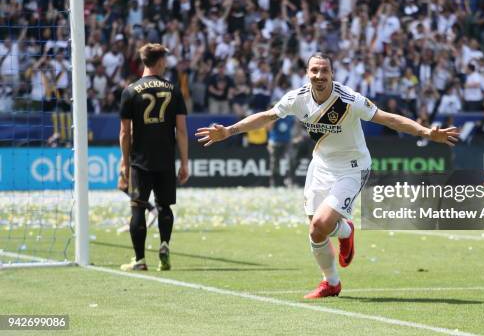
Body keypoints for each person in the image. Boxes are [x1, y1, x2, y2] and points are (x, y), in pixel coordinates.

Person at [195, 53, 458, 298]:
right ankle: (332, 278)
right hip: (320, 166)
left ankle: (340, 242)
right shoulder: (296, 98)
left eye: (324, 71)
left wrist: (425, 132)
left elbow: (388, 118)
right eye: (314, 71)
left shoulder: (349, 100)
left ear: (332, 74)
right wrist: (229, 131)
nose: (319, 76)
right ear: (306, 73)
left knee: (319, 224)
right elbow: (266, 116)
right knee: (317, 232)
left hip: (353, 167)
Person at [118, 43, 189, 271]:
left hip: (140, 160)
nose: (166, 64)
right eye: (165, 60)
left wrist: (124, 162)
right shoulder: (173, 89)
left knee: (138, 207)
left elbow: (125, 132)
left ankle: (139, 260)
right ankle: (164, 247)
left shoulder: (130, 91)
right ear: (159, 62)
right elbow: (182, 130)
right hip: (166, 159)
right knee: (165, 206)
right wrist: (184, 162)